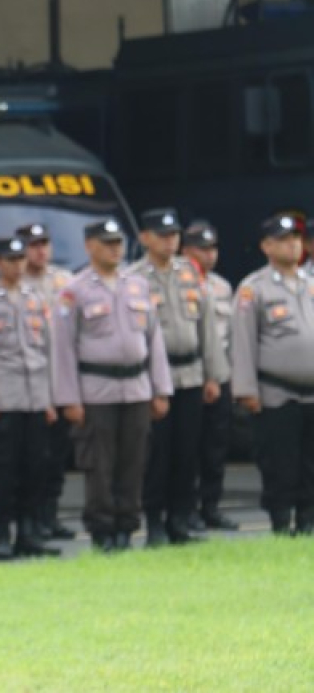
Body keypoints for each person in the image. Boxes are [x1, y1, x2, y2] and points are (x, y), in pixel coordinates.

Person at [51, 218, 172, 552]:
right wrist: (69, 398)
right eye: (107, 243)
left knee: (133, 463)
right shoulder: (74, 291)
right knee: (99, 465)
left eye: (118, 242)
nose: (115, 249)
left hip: (136, 387)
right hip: (96, 389)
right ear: (89, 246)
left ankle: (127, 528)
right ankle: (102, 531)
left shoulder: (138, 285)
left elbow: (154, 339)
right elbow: (63, 348)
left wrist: (161, 389)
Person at [126, 208, 226, 546]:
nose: (170, 241)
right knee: (158, 454)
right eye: (162, 235)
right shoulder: (134, 278)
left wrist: (213, 375)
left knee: (187, 453)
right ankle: (154, 521)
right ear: (145, 238)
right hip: (157, 376)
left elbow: (207, 326)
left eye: (174, 235)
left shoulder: (190, 273)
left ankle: (180, 520)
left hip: (191, 373)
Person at [0, 236, 56, 560]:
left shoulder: (37, 298)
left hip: (35, 397)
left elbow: (48, 349)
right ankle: (2, 535)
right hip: (3, 399)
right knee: (4, 472)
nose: (18, 265)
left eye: (21, 259)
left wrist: (50, 399)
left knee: (36, 469)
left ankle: (29, 532)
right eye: (10, 259)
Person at [231, 213, 314, 536]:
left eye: (295, 239)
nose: (292, 245)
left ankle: (307, 521)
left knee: (310, 463)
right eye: (283, 240)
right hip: (276, 392)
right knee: (280, 462)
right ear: (266, 246)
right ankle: (281, 522)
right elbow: (243, 342)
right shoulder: (254, 288)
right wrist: (246, 389)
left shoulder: (310, 283)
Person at [15, 221, 75, 542]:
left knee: (58, 456)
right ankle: (33, 519)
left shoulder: (64, 281)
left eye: (44, 244)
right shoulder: (15, 283)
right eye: (33, 245)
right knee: (33, 459)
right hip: (31, 383)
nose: (40, 251)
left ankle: (50, 516)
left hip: (62, 378)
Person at [181, 221, 240, 531]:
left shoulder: (222, 287)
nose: (209, 255)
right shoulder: (178, 284)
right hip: (190, 375)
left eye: (213, 248)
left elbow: (231, 337)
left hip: (221, 375)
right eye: (202, 249)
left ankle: (211, 506)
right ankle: (186, 508)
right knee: (188, 447)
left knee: (216, 448)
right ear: (185, 251)